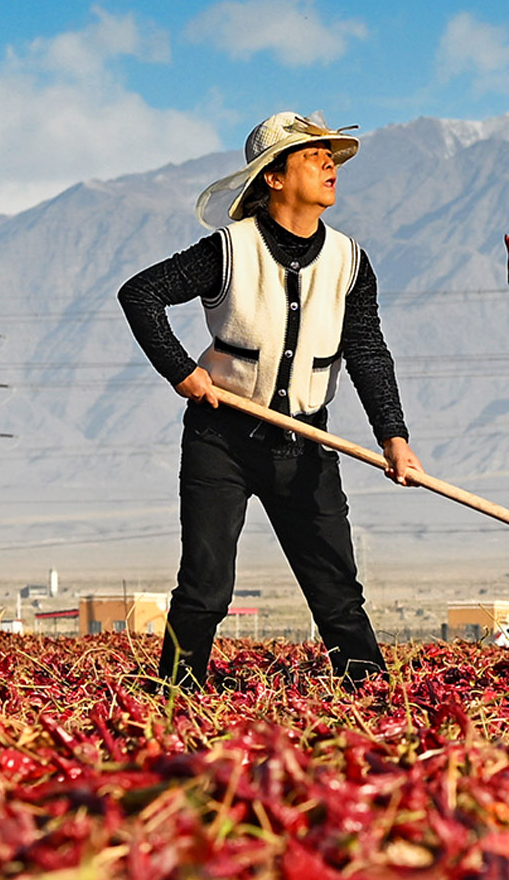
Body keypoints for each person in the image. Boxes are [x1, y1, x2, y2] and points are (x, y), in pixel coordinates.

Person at [115, 111, 423, 687]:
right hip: (220, 439)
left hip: (306, 442)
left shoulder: (350, 263)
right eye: (313, 156)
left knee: (336, 589)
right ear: (274, 178)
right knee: (205, 587)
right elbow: (141, 295)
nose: (330, 163)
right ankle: (175, 697)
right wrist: (182, 371)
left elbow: (368, 352)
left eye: (330, 155)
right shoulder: (228, 250)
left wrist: (394, 438)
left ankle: (373, 699)